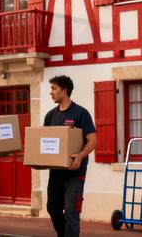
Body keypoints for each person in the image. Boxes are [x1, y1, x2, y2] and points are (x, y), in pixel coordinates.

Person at [44, 75, 97, 237]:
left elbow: (93, 140)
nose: (50, 92)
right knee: (52, 208)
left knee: (71, 213)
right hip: (56, 172)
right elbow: (43, 141)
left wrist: (81, 155)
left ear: (64, 90)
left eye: (54, 89)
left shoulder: (81, 113)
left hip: (75, 172)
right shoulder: (50, 115)